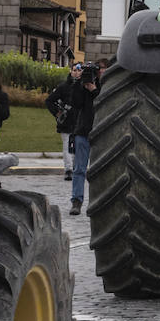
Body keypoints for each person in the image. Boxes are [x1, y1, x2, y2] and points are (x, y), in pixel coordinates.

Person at [66, 62, 101, 215]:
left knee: (100, 169)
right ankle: (76, 201)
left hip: (101, 132)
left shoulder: (104, 86)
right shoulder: (79, 86)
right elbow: (75, 104)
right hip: (83, 132)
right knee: (79, 169)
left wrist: (94, 90)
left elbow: (105, 103)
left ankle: (100, 201)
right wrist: (79, 84)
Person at [45, 63, 81, 180]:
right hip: (66, 121)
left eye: (79, 70)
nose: (76, 72)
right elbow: (49, 101)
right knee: (67, 146)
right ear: (71, 71)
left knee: (78, 147)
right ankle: (68, 169)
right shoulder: (63, 87)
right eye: (74, 70)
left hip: (80, 121)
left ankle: (76, 168)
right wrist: (57, 113)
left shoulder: (84, 86)